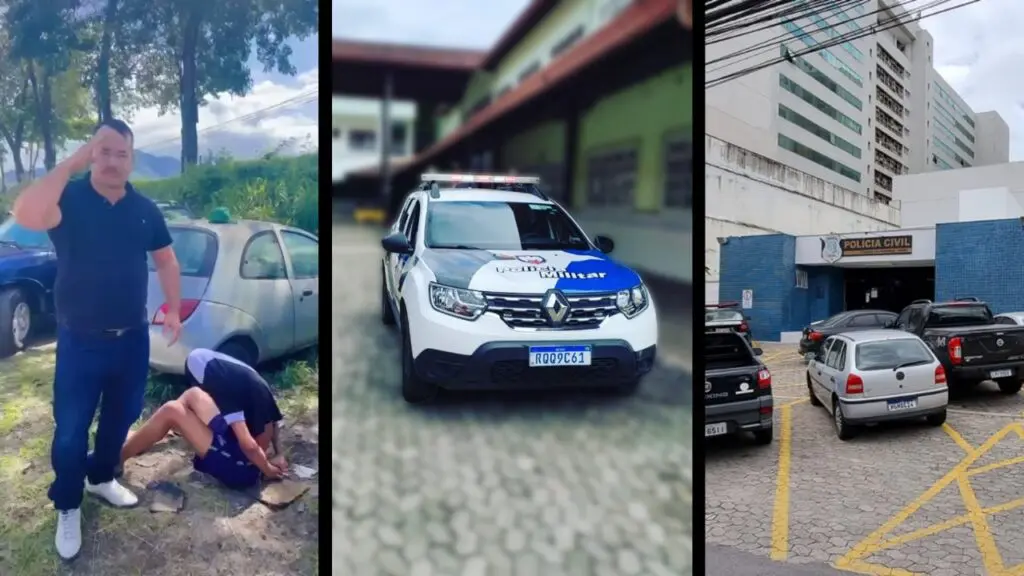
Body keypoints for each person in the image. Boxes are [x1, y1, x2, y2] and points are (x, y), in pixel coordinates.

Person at [12, 119, 182, 561]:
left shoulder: (144, 209)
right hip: (80, 341)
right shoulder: (67, 200)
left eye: (120, 153)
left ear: (131, 159)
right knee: (70, 431)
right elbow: (25, 214)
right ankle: (68, 503)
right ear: (91, 154)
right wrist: (70, 163)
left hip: (132, 339)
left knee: (121, 416)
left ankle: (101, 477)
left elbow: (166, 260)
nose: (111, 161)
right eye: (102, 151)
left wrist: (175, 310)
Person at [120, 348, 287, 490]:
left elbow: (247, 444)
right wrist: (279, 453)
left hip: (242, 467)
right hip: (240, 443)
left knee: (171, 409)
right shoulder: (246, 377)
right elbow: (273, 419)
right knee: (192, 395)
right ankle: (154, 433)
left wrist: (268, 470)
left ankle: (115, 460)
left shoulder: (223, 386)